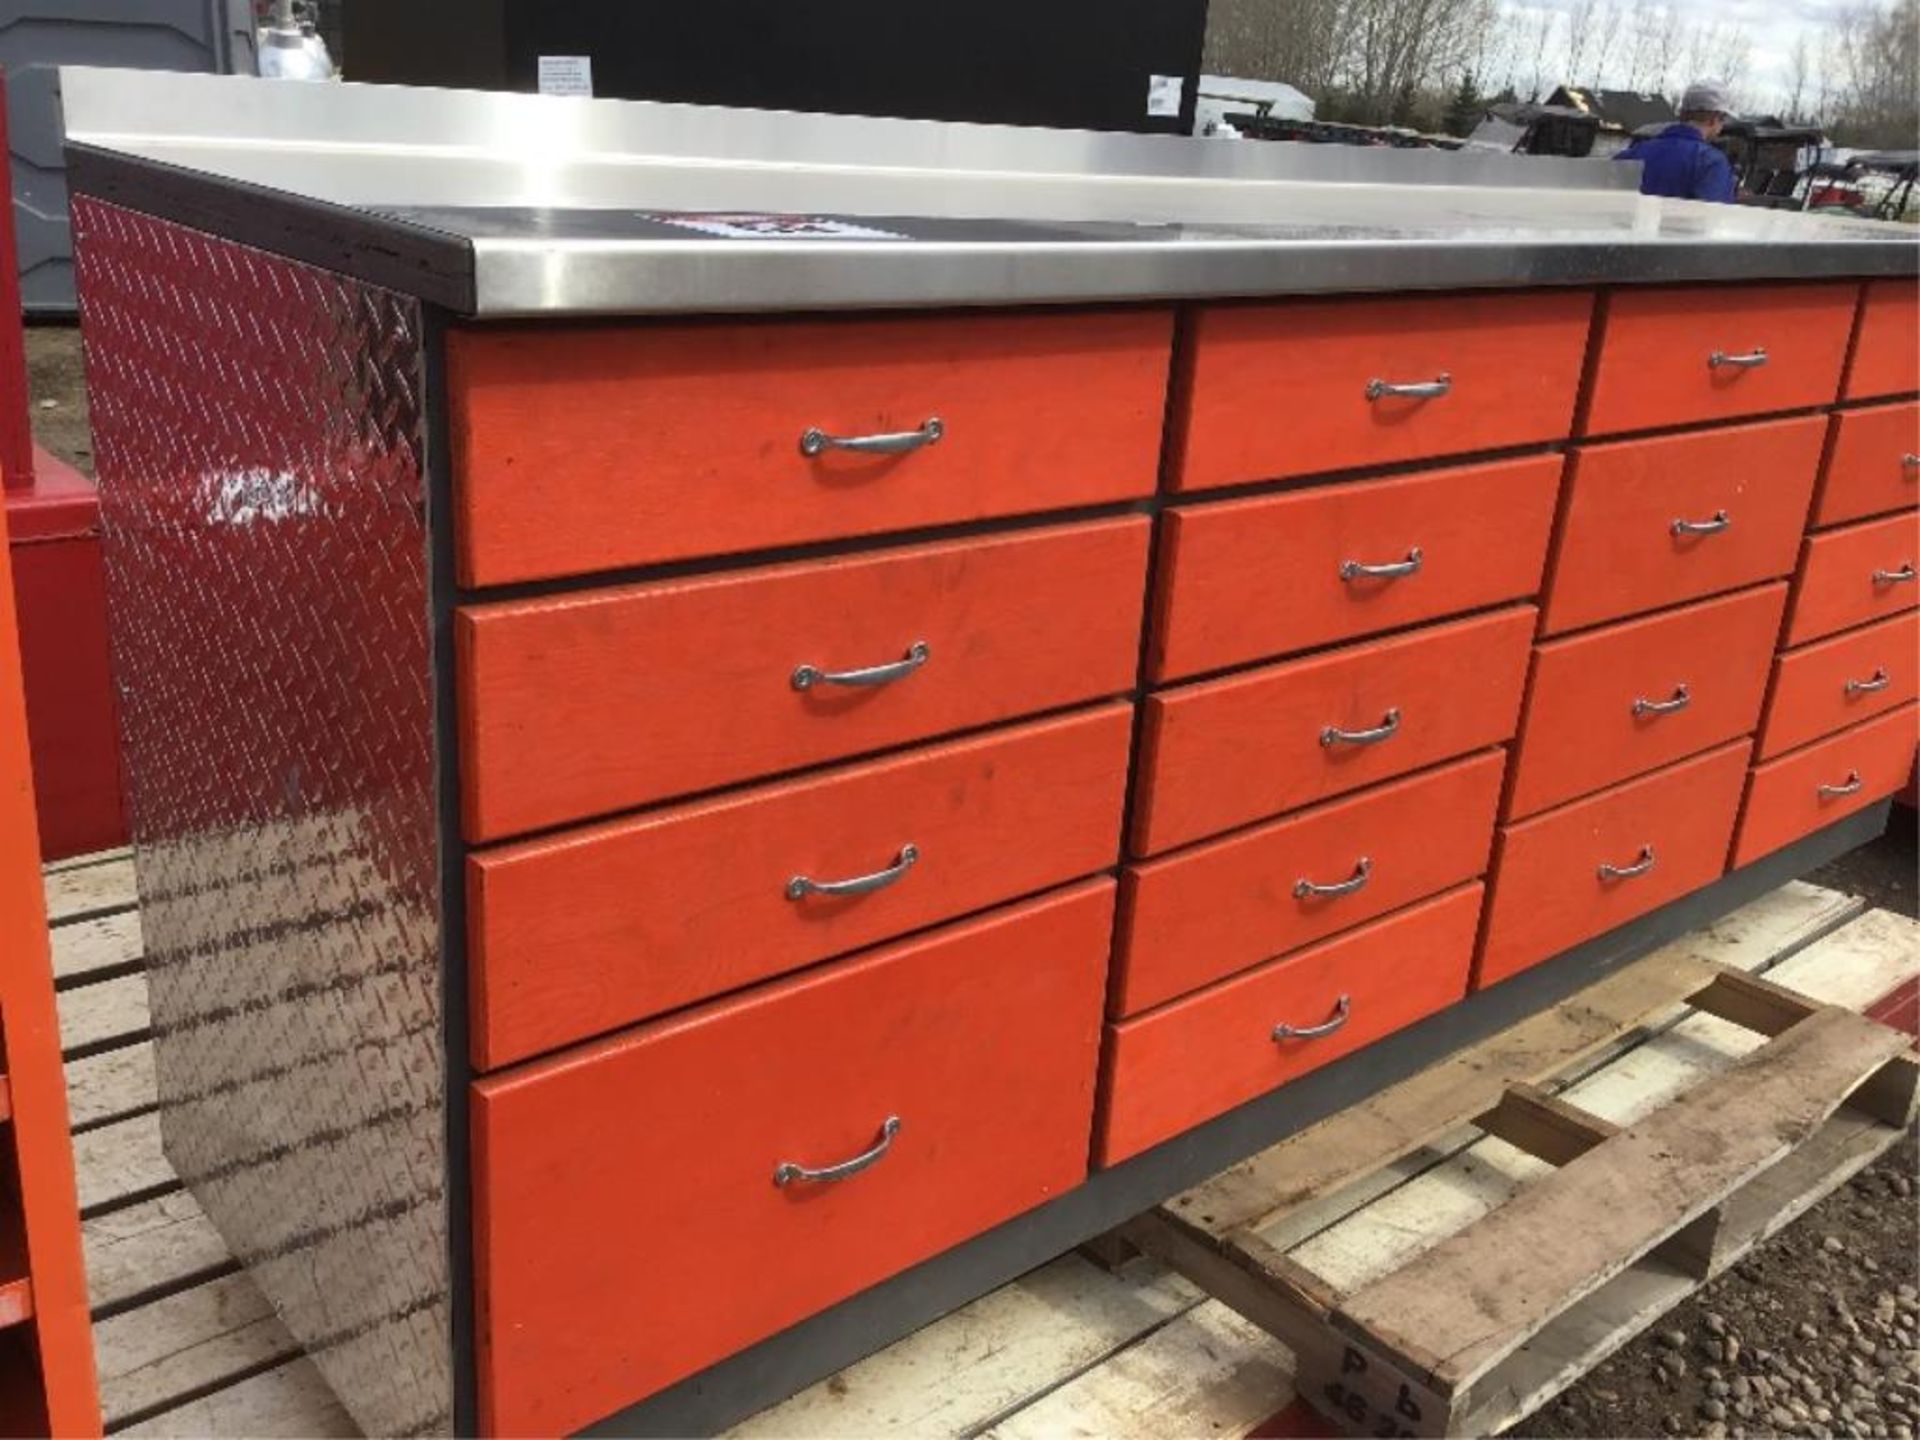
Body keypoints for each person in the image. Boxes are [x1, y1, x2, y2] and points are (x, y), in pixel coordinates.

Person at [1616, 81, 1738, 202]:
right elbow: (1710, 217)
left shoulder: (1631, 154)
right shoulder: (1712, 163)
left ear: (1682, 114)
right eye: (1723, 121)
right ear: (1714, 120)